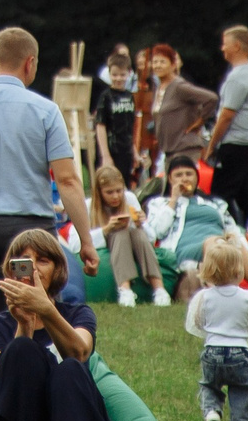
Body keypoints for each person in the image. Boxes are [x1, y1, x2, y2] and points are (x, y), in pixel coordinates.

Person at [0, 28, 97, 322]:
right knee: (37, 318)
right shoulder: (46, 111)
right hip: (30, 236)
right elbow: (67, 180)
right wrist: (86, 239)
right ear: (30, 63)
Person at [0, 228, 108, 421]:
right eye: (25, 261)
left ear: (58, 270)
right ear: (11, 269)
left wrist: (46, 310)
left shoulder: (78, 313)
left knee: (69, 369)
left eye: (43, 260)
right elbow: (4, 374)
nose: (34, 267)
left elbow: (79, 352)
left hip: (71, 415)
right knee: (19, 349)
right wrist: (25, 324)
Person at [184, 236, 248, 421]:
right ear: (238, 270)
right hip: (240, 352)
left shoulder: (204, 297)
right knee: (243, 389)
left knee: (209, 385)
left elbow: (196, 321)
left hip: (212, 350)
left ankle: (212, 412)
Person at [141, 155, 234, 301]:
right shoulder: (159, 203)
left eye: (189, 174)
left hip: (219, 244)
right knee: (215, 243)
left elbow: (231, 227)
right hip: (186, 249)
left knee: (231, 245)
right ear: (170, 180)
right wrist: (173, 200)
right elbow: (157, 232)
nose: (184, 179)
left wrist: (238, 242)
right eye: (178, 175)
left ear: (197, 178)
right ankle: (218, 295)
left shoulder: (215, 203)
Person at [201, 26, 248, 228]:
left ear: (237, 46)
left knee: (221, 193)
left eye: (225, 44)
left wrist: (212, 145)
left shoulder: (238, 77)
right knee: (246, 192)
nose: (222, 48)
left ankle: (226, 230)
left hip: (236, 142)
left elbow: (226, 115)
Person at [90, 165, 165, 307]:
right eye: (109, 192)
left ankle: (159, 289)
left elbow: (151, 238)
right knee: (120, 233)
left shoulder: (129, 198)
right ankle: (125, 289)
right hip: (109, 243)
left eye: (119, 191)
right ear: (99, 193)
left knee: (136, 232)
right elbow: (76, 242)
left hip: (133, 241)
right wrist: (106, 229)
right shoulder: (89, 205)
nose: (116, 196)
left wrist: (141, 224)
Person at [148, 46, 216, 167]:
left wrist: (200, 122)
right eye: (155, 62)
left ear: (173, 65)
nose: (158, 65)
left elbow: (211, 98)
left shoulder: (179, 86)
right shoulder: (159, 87)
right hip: (169, 151)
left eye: (162, 62)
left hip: (185, 149)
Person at [92, 45, 144, 180]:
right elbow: (100, 125)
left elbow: (129, 129)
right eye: (114, 75)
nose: (118, 78)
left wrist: (135, 153)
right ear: (109, 74)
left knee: (125, 187)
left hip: (125, 151)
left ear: (128, 74)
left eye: (122, 75)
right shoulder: (106, 96)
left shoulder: (129, 96)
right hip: (110, 149)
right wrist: (105, 156)